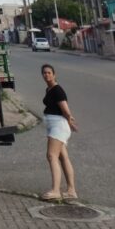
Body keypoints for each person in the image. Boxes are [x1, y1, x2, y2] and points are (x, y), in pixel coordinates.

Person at [40, 62, 77, 200]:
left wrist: (70, 121)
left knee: (51, 155)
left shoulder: (57, 90)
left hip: (58, 126)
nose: (46, 75)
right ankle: (71, 191)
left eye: (49, 73)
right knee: (63, 157)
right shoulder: (49, 89)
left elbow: (65, 110)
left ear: (54, 74)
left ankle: (56, 190)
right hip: (55, 125)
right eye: (44, 73)